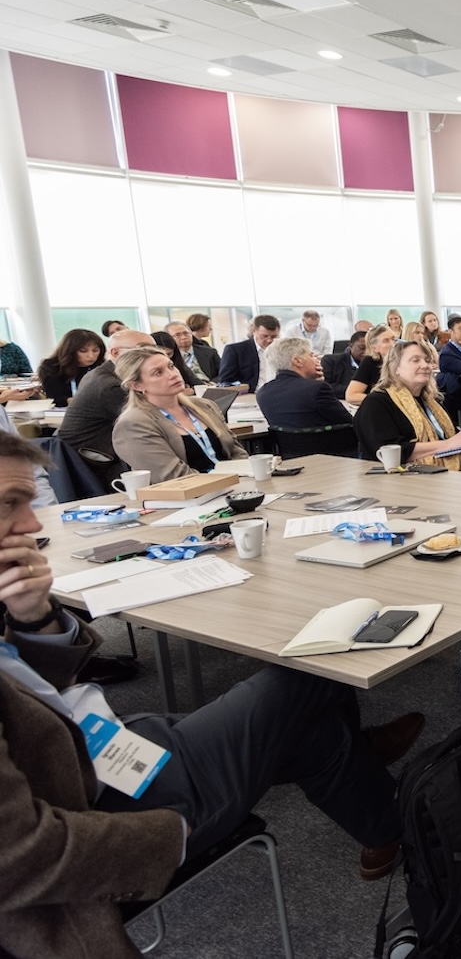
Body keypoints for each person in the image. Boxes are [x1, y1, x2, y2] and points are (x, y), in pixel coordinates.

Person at [0, 432, 423, 959]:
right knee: (309, 666)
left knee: (308, 723)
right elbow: (18, 859)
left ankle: (386, 823)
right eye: (10, 504)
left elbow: (31, 697)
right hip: (123, 808)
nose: (35, 523)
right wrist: (172, 834)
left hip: (105, 748)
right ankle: (383, 797)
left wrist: (34, 620)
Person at [112, 347, 248, 482]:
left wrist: (247, 476)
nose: (173, 375)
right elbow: (173, 476)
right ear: (136, 386)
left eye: (171, 366)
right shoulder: (133, 424)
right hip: (188, 497)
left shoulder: (204, 406)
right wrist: (230, 481)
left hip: (234, 486)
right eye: (158, 373)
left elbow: (237, 451)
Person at [352, 339, 461, 470]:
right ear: (395, 368)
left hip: (442, 458)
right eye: (415, 360)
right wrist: (446, 444)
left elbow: (446, 433)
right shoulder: (376, 403)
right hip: (404, 470)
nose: (425, 365)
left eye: (427, 360)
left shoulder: (430, 400)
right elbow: (391, 451)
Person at [57, 328, 157, 483]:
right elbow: (154, 420)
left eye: (154, 348)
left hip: (103, 456)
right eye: (143, 348)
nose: (152, 354)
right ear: (115, 353)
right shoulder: (109, 386)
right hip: (97, 466)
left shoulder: (103, 374)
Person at [256, 337, 356, 443]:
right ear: (297, 361)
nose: (317, 359)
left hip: (290, 454)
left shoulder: (263, 393)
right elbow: (349, 421)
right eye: (311, 355)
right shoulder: (317, 389)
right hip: (332, 452)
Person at [36, 328, 104, 406]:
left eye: (95, 350)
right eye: (83, 351)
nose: (91, 356)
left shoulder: (102, 366)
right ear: (70, 350)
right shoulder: (52, 366)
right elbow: (55, 397)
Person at [216, 314, 280, 393]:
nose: (269, 340)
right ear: (254, 331)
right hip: (250, 396)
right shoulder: (236, 350)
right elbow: (226, 381)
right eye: (264, 336)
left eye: (274, 336)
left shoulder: (282, 350)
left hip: (278, 395)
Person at [346, 325, 397, 405]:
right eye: (386, 341)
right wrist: (384, 401)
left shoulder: (404, 360)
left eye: (394, 339)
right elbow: (351, 396)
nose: (393, 344)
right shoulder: (370, 362)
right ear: (375, 348)